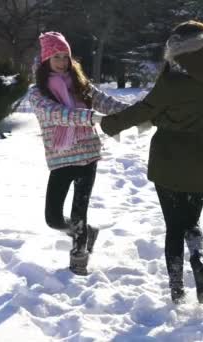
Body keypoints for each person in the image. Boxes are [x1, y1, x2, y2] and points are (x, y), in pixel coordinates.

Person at [97, 20, 203, 304]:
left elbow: (147, 109)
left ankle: (177, 289)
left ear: (178, 49)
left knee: (173, 226)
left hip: (170, 159)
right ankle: (197, 256)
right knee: (192, 220)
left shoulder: (172, 82)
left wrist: (110, 125)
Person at [28, 31, 129, 276]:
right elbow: (56, 113)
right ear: (46, 60)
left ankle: (79, 258)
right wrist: (90, 117)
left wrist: (137, 112)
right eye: (57, 57)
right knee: (52, 218)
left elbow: (107, 103)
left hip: (87, 154)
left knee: (78, 212)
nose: (63, 62)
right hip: (61, 158)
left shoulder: (81, 85)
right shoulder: (37, 92)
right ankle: (86, 233)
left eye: (66, 56)